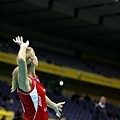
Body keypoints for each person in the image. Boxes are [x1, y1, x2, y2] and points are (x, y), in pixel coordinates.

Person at [11, 36, 65, 120]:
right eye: (35, 55)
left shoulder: (35, 79)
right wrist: (23, 46)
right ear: (33, 61)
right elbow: (21, 60)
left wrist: (54, 105)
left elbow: (40, 96)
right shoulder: (26, 82)